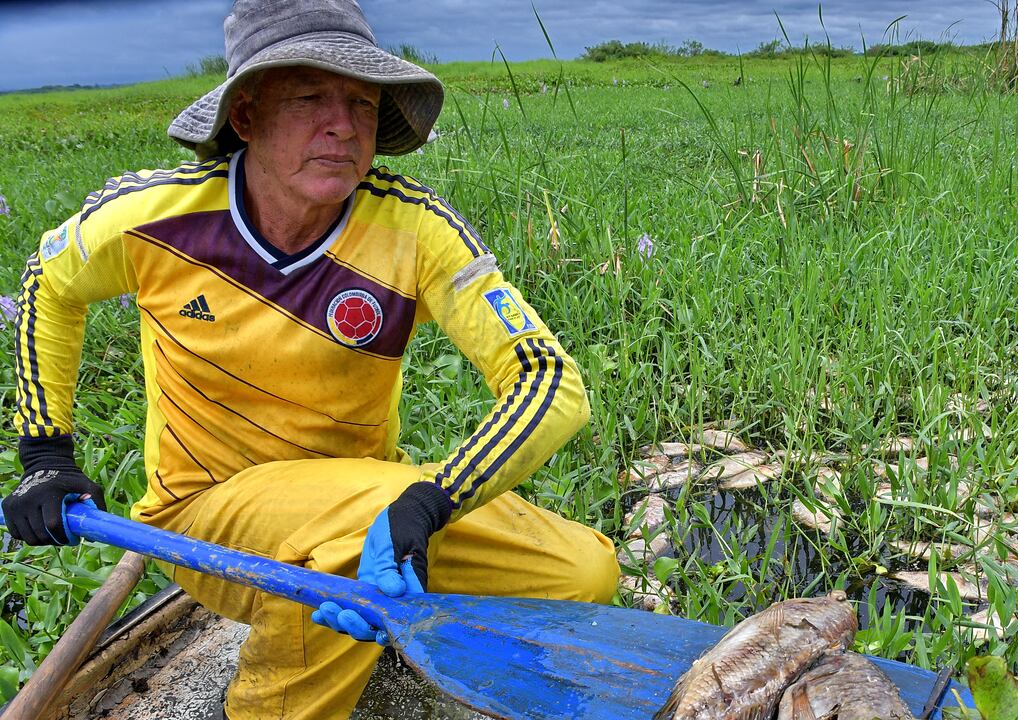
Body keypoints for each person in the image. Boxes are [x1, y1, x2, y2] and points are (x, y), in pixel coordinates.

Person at [1, 0, 619, 717]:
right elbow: (48, 281)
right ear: (246, 116)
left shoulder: (414, 229)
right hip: (205, 514)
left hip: (357, 495)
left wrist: (432, 500)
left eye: (362, 103)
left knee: (580, 573)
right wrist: (45, 453)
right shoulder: (158, 218)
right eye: (308, 98)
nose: (343, 125)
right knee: (350, 544)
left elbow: (549, 378)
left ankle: (404, 651)